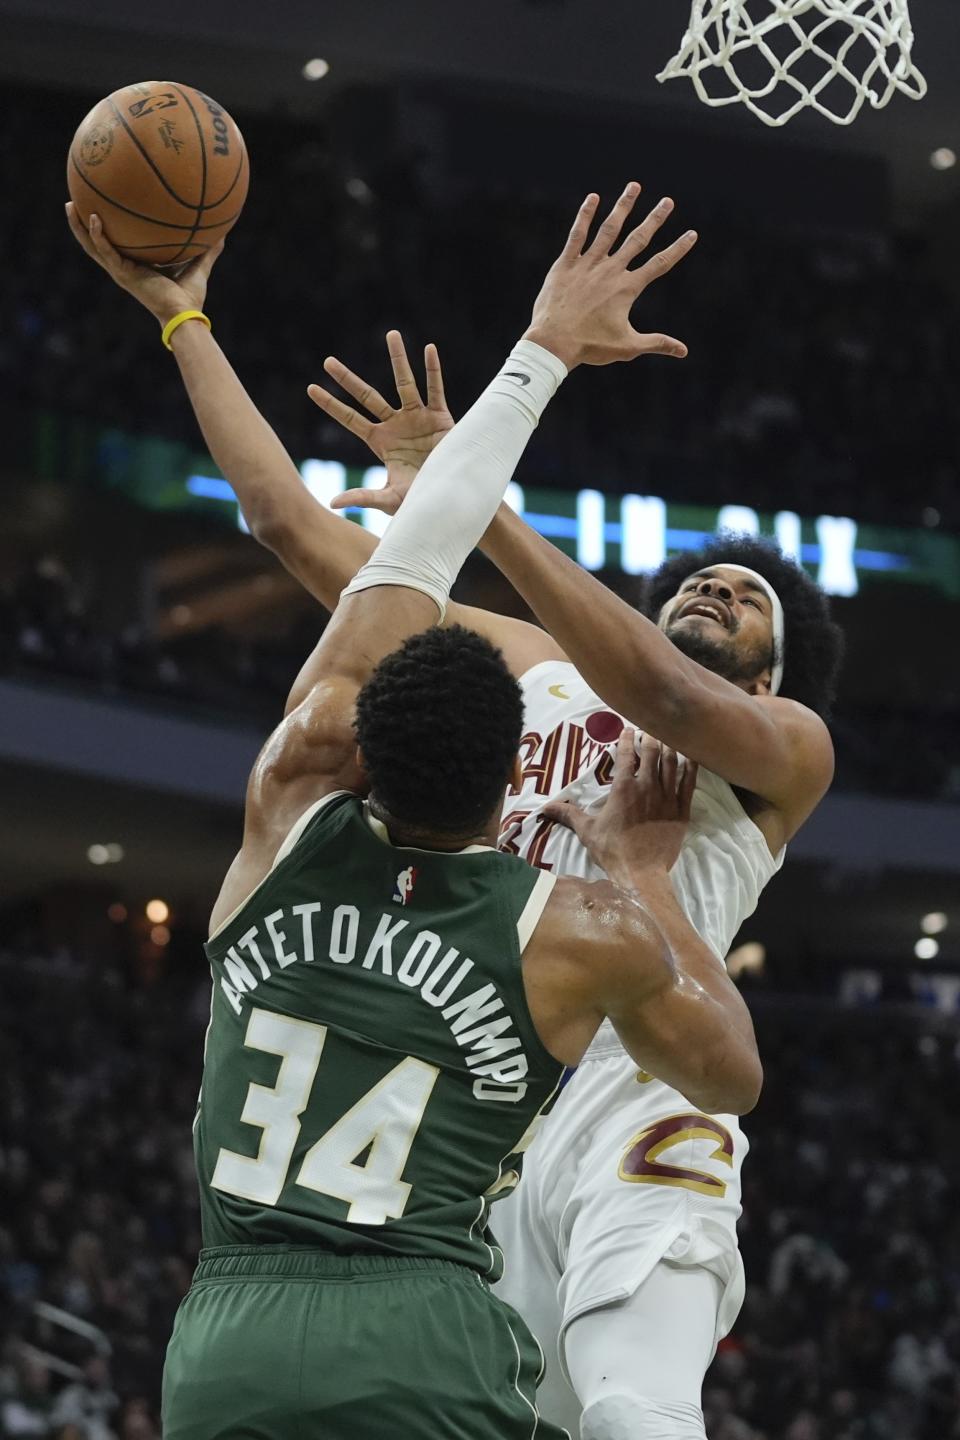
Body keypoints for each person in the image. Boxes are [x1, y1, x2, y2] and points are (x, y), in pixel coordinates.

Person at [68, 185, 761, 1439]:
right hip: (491, 1132)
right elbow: (284, 518)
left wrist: (493, 423)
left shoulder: (773, 744)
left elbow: (399, 590)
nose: (717, 587)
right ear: (511, 775)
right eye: (706, 575)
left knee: (632, 1403)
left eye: (744, 599)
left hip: (557, 1130)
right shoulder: (565, 866)